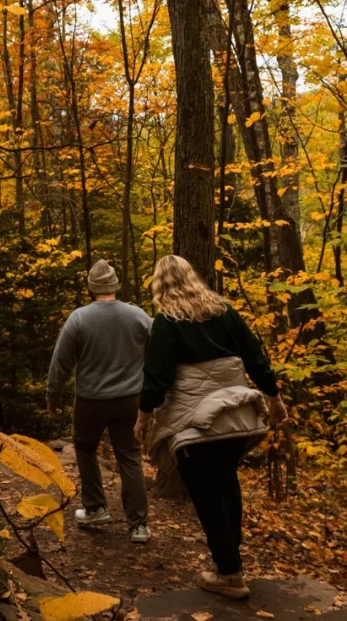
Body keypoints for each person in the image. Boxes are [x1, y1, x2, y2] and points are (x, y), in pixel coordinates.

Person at [135, 254, 288, 600]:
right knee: (226, 483)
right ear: (193, 277)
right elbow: (255, 354)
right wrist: (274, 398)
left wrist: (143, 417)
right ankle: (230, 563)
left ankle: (230, 574)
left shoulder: (166, 322)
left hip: (194, 423)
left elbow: (156, 377)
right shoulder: (225, 312)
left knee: (206, 493)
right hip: (236, 417)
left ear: (160, 285)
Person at [47, 258, 152, 543]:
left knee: (84, 448)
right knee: (129, 456)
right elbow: (160, 353)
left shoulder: (79, 318)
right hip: (130, 399)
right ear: (115, 285)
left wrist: (53, 395)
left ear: (92, 288)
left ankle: (95, 508)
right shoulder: (139, 316)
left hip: (90, 401)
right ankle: (138, 526)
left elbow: (61, 362)